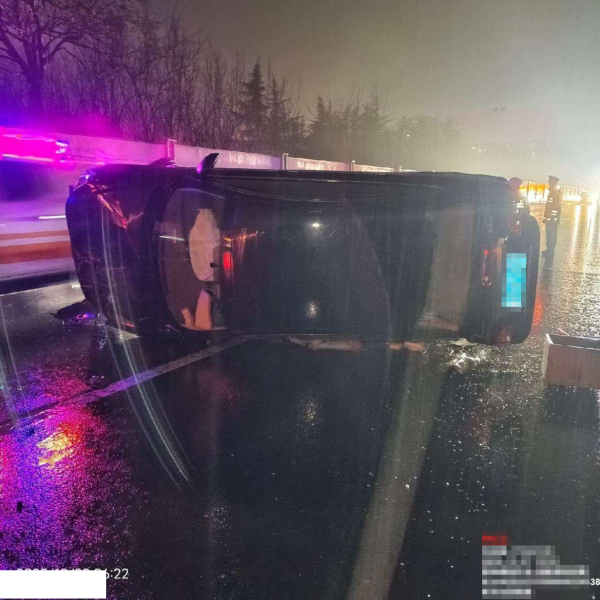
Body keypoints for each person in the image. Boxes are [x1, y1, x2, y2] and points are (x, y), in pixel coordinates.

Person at [542, 175, 562, 258]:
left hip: (552, 219)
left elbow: (555, 208)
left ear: (554, 182)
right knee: (549, 235)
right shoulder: (552, 192)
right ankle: (549, 250)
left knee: (551, 235)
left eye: (550, 181)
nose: (549, 182)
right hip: (550, 219)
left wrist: (550, 218)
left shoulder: (556, 193)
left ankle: (550, 252)